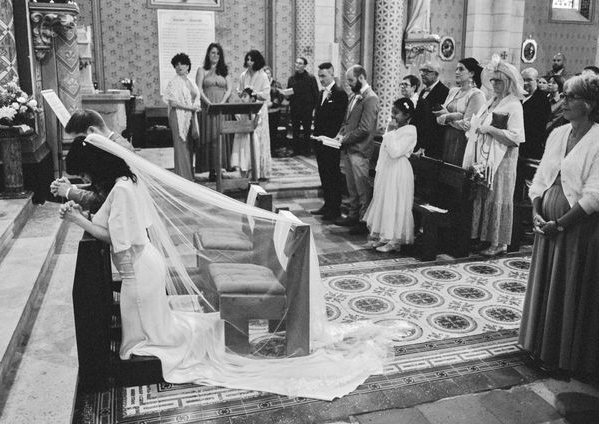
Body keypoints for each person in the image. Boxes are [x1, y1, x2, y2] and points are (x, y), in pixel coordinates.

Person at [59, 133, 394, 400]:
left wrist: (77, 219)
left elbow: (118, 240)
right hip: (142, 265)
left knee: (149, 338)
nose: (85, 177)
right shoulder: (125, 184)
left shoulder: (122, 190)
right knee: (153, 331)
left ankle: (140, 360)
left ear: (97, 166)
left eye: (85, 171)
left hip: (138, 268)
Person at [519, 73, 599, 376]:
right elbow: (541, 178)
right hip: (547, 223)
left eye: (570, 97)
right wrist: (536, 210)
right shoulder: (558, 134)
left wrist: (560, 224)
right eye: (563, 96)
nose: (563, 101)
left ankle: (561, 357)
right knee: (546, 284)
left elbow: (598, 195)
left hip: (578, 229)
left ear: (588, 104)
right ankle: (537, 346)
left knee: (567, 288)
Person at [463, 56, 525, 256]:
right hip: (484, 157)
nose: (494, 84)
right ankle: (483, 237)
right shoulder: (491, 101)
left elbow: (515, 137)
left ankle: (499, 243)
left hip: (503, 160)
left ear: (508, 82)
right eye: (493, 81)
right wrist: (472, 127)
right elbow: (479, 122)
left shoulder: (514, 105)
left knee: (497, 197)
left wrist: (489, 129)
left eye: (499, 81)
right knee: (484, 197)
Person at [50, 110, 134, 212]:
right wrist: (71, 187)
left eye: (81, 139)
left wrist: (69, 191)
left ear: (91, 131)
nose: (80, 146)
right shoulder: (113, 142)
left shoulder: (114, 151)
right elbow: (103, 186)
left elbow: (106, 198)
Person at [363, 98, 417, 253]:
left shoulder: (410, 131)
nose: (393, 117)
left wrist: (390, 132)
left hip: (398, 171)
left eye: (396, 113)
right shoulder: (394, 130)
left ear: (406, 115)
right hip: (388, 170)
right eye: (392, 112)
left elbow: (395, 152)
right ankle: (383, 237)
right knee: (385, 201)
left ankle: (395, 240)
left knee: (395, 203)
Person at [335, 65, 380, 235]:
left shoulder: (370, 98)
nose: (348, 84)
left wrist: (345, 139)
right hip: (349, 148)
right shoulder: (354, 95)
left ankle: (363, 220)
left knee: (362, 189)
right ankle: (353, 215)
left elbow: (365, 128)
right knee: (351, 187)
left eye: (351, 80)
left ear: (361, 77)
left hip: (360, 150)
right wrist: (339, 134)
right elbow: (347, 121)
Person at [311, 62, 349, 221]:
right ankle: (327, 204)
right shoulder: (321, 93)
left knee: (332, 174)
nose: (321, 79)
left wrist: (332, 138)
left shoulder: (339, 93)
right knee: (324, 174)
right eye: (319, 76)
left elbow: (340, 120)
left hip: (331, 142)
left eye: (323, 76)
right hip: (320, 141)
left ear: (332, 74)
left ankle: (334, 208)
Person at [435, 57, 485, 166]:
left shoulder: (476, 95)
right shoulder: (453, 91)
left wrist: (447, 116)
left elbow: (467, 125)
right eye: (456, 69)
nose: (457, 72)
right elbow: (438, 118)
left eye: (461, 69)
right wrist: (456, 116)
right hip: (446, 138)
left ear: (471, 73)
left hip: (462, 141)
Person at [230, 50, 271, 179]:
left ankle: (260, 171)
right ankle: (247, 169)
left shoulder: (263, 76)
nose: (249, 62)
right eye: (247, 59)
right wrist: (243, 94)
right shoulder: (244, 75)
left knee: (259, 139)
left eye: (251, 60)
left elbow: (266, 94)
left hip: (259, 109)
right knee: (247, 140)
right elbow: (239, 90)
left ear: (257, 61)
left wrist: (254, 93)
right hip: (247, 109)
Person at [195, 43, 233, 173]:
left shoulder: (225, 70)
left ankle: (220, 167)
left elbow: (229, 89)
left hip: (222, 108)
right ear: (208, 54)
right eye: (213, 52)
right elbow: (199, 89)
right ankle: (210, 169)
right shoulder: (202, 70)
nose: (215, 55)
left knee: (220, 136)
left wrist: (222, 102)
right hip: (208, 108)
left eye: (218, 53)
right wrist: (209, 103)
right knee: (209, 136)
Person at [165, 52, 201, 181]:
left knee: (189, 146)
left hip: (190, 116)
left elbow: (197, 98)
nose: (179, 66)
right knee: (181, 146)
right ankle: (182, 178)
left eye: (182, 63)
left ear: (188, 66)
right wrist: (191, 108)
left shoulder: (191, 82)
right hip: (178, 116)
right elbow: (173, 103)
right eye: (176, 64)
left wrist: (194, 108)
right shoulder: (173, 82)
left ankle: (189, 176)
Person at [414, 61, 450, 158]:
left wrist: (424, 145)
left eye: (426, 71)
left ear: (436, 74)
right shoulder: (423, 91)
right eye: (421, 71)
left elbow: (434, 122)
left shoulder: (443, 91)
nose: (422, 74)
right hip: (419, 140)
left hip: (432, 143)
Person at [286, 57, 320, 156]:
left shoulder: (310, 78)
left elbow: (316, 94)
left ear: (305, 66)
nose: (297, 65)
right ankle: (296, 150)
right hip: (295, 108)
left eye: (300, 63)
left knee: (307, 130)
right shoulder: (291, 78)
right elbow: (289, 94)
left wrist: (313, 108)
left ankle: (307, 150)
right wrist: (287, 95)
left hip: (307, 109)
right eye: (296, 63)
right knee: (295, 130)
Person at [520, 68, 550, 160]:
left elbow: (538, 127)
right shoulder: (518, 97)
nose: (525, 83)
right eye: (523, 80)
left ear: (536, 81)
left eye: (529, 80)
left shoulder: (542, 100)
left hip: (531, 149)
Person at [263, 66, 284, 154]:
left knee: (273, 131)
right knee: (264, 132)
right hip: (264, 111)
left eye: (269, 73)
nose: (267, 75)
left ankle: (272, 150)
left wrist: (272, 104)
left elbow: (280, 97)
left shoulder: (276, 84)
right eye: (265, 73)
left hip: (274, 111)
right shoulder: (261, 84)